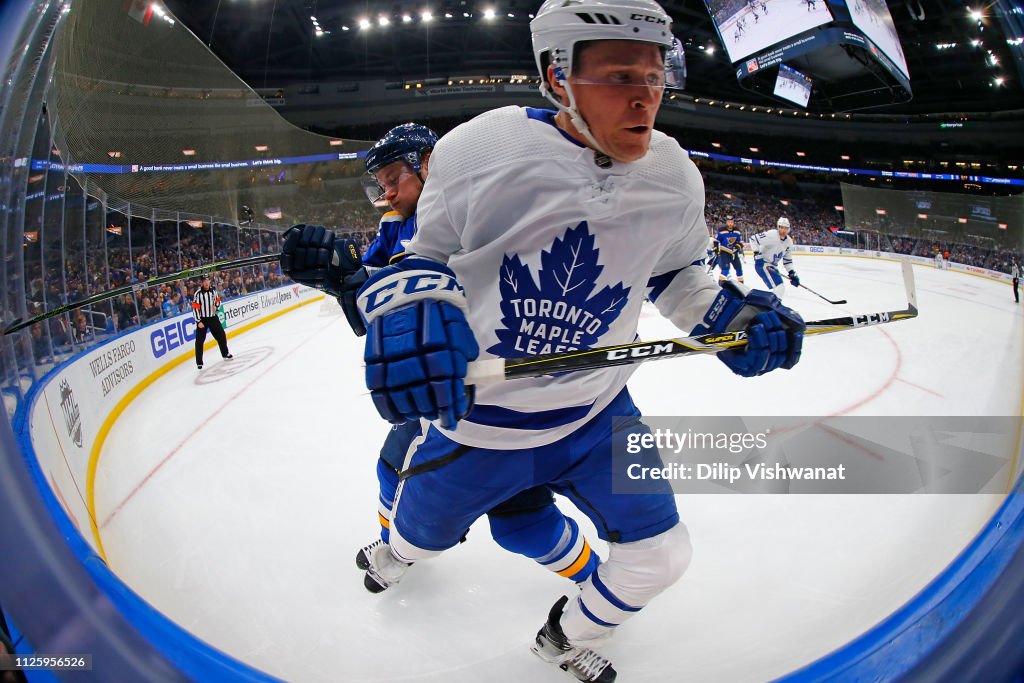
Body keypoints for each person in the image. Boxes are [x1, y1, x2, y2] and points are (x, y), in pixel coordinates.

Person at [353, 2, 805, 680]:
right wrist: (411, 304)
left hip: (599, 417)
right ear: (556, 75)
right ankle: (394, 557)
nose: (644, 96)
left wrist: (729, 320)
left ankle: (561, 634)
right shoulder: (481, 149)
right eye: (621, 74)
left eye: (655, 76)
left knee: (663, 555)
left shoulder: (675, 175)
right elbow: (423, 258)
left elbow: (680, 276)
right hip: (480, 428)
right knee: (418, 540)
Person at [279, 124, 600, 591]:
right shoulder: (396, 224)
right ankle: (597, 585)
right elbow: (382, 290)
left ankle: (398, 551)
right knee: (517, 514)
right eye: (381, 183)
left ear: (427, 164)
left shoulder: (479, 210)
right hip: (462, 381)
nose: (387, 192)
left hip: (488, 385)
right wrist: (341, 275)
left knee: (441, 481)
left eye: (394, 178)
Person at [751, 216, 800, 296]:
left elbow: (787, 260)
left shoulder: (789, 242)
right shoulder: (772, 234)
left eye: (786, 228)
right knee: (779, 287)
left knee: (780, 288)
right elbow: (753, 239)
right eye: (781, 227)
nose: (783, 230)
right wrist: (757, 254)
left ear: (789, 229)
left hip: (772, 267)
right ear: (778, 227)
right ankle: (773, 306)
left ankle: (771, 304)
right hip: (763, 264)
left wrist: (791, 273)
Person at [190, 277, 232, 370]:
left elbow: (218, 301)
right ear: (202, 283)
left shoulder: (213, 291)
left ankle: (225, 353)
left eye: (207, 281)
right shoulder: (198, 293)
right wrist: (198, 321)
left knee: (221, 335)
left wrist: (216, 307)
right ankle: (199, 362)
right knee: (199, 341)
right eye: (204, 281)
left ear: (209, 282)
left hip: (213, 318)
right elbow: (195, 308)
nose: (206, 283)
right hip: (203, 320)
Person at [715, 216, 745, 283]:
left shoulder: (737, 231)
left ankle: (741, 285)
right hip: (725, 253)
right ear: (726, 223)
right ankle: (721, 285)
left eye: (731, 222)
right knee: (725, 270)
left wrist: (737, 247)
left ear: (733, 223)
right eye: (729, 222)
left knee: (739, 269)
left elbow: (740, 242)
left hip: (734, 253)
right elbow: (716, 241)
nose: (730, 224)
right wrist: (716, 250)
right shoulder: (721, 230)